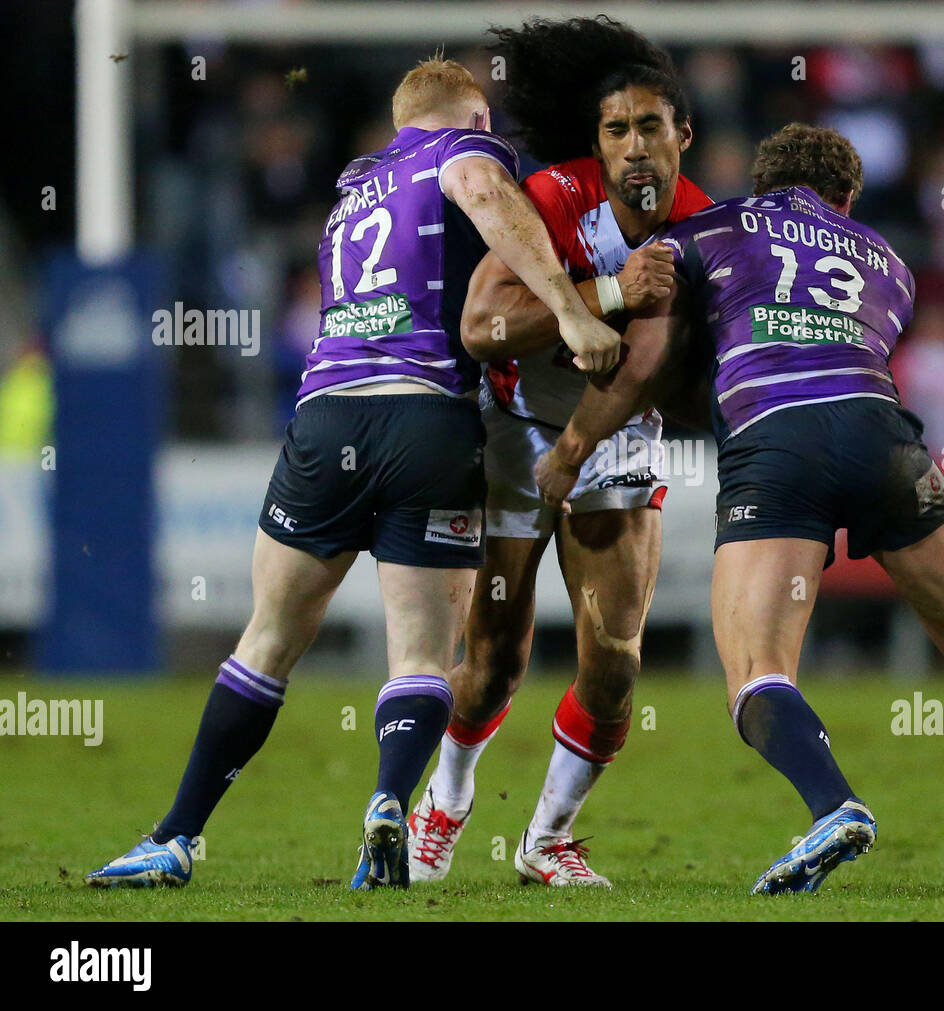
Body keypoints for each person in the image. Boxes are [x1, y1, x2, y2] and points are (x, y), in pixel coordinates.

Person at [533, 123, 944, 894]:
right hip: (885, 436)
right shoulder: (890, 262)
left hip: (775, 438)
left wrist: (574, 446)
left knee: (755, 672)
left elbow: (650, 352)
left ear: (763, 185)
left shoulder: (705, 229)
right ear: (846, 199)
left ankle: (833, 803)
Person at [86, 57, 619, 890]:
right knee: (420, 655)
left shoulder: (352, 193)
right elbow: (484, 194)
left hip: (326, 416)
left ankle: (175, 835)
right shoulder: (464, 152)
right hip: (428, 420)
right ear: (468, 117)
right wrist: (570, 308)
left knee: (264, 643)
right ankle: (384, 804)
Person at [407, 16, 712, 888]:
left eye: (652, 126)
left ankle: (546, 837)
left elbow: (669, 374)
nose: (635, 146)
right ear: (598, 144)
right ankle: (448, 801)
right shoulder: (550, 199)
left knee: (614, 660)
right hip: (516, 429)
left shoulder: (705, 229)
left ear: (682, 135)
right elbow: (481, 328)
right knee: (494, 658)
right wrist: (606, 291)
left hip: (615, 437)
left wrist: (589, 440)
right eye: (617, 129)